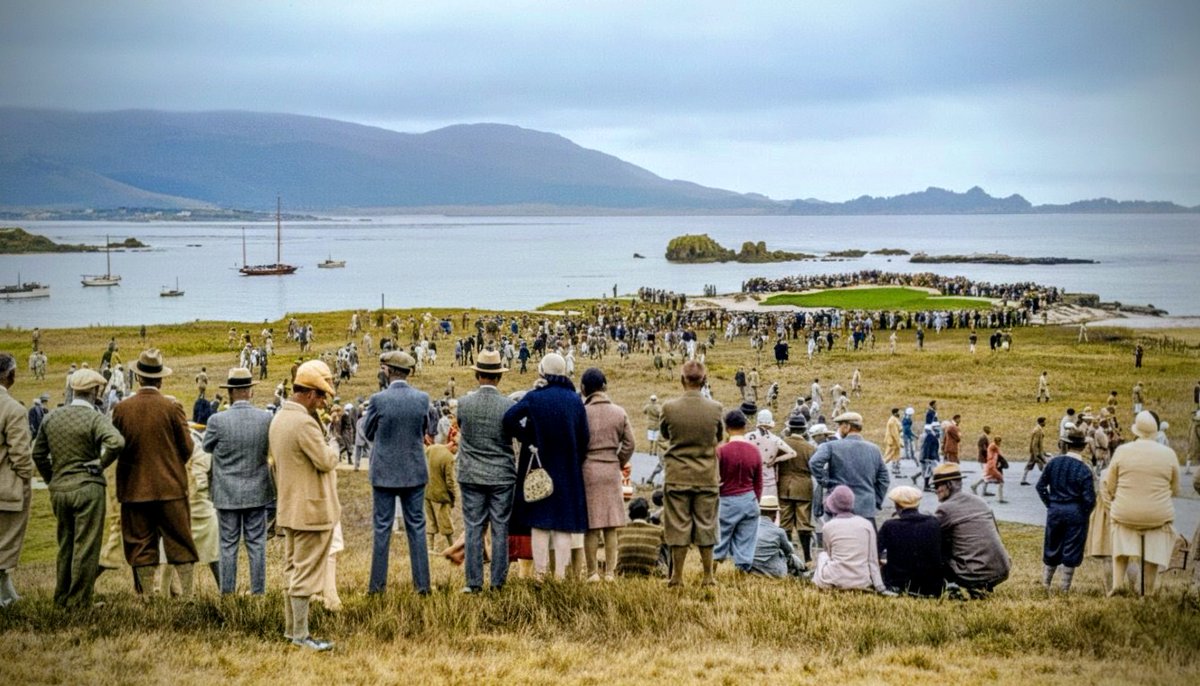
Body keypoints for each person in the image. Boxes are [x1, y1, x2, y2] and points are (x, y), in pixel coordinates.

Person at [31, 368, 123, 607]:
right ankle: (80, 602)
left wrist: (53, 479)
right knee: (86, 546)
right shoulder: (94, 417)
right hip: (87, 487)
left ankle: (61, 597)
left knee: (66, 545)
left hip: (60, 489)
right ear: (94, 391)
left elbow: (38, 454)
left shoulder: (52, 417)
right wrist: (100, 464)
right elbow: (116, 442)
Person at [110, 349, 198, 599]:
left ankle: (148, 596)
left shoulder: (121, 409)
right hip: (170, 487)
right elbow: (187, 448)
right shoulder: (172, 407)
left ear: (138, 378)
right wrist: (171, 465)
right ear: (160, 379)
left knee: (139, 543)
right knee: (180, 541)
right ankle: (188, 597)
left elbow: (116, 447)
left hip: (134, 488)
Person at [503, 352, 589, 581]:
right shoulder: (574, 400)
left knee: (539, 522)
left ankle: (540, 575)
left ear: (542, 370)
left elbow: (509, 419)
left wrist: (528, 439)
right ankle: (559, 576)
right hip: (567, 468)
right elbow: (585, 437)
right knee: (562, 524)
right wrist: (574, 457)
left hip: (538, 466)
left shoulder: (535, 397)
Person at [272, 360, 339, 651]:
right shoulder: (304, 424)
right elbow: (325, 460)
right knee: (305, 574)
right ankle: (301, 635)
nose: (323, 401)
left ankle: (292, 631)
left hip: (290, 507)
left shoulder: (279, 418)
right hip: (311, 510)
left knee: (293, 569)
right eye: (321, 395)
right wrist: (334, 446)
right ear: (309, 393)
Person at [362, 350, 431, 594]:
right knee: (417, 528)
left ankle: (377, 588)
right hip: (414, 470)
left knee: (382, 529)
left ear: (389, 371)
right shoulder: (422, 398)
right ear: (408, 372)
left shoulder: (378, 400)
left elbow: (368, 432)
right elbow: (427, 428)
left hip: (384, 472)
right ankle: (422, 586)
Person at [202, 367, 274, 595]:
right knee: (256, 545)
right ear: (250, 392)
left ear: (231, 392)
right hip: (257, 490)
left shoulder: (217, 420)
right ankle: (258, 593)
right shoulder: (266, 418)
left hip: (227, 492)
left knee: (228, 545)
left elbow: (206, 446)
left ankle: (228, 594)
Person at [454, 349, 516, 593]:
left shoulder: (464, 403)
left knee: (474, 527)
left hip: (471, 473)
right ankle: (498, 582)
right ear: (499, 377)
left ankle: (473, 582)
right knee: (501, 527)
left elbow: (461, 427)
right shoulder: (508, 406)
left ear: (477, 374)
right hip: (502, 474)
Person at [658, 360, 723, 587]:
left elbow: (665, 434)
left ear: (682, 379)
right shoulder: (715, 408)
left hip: (677, 474)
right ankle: (708, 576)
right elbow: (719, 437)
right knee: (706, 524)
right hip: (706, 475)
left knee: (678, 525)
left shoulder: (669, 407)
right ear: (704, 380)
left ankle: (677, 577)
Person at [1102, 411, 1180, 596]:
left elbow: (1110, 485)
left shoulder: (1122, 451)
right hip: (1157, 516)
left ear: (1136, 431)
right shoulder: (1168, 454)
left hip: (1125, 514)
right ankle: (1148, 591)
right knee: (1152, 550)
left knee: (1120, 543)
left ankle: (1118, 584)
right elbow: (1175, 489)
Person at [580, 368, 635, 582]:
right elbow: (630, 443)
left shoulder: (582, 412)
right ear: (604, 386)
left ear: (584, 389)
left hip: (588, 468)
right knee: (611, 523)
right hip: (611, 467)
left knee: (592, 524)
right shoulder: (619, 412)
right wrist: (618, 460)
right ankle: (611, 572)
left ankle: (592, 572)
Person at [931, 463, 1011, 596]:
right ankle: (984, 583)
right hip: (1001, 569)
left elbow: (931, 536)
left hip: (972, 574)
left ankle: (956, 584)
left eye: (937, 486)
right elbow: (996, 533)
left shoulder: (945, 509)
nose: (935, 490)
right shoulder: (980, 501)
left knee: (937, 546)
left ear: (949, 485)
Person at [1035, 427, 1096, 593]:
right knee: (1072, 547)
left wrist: (1050, 504)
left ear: (1067, 445)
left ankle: (1045, 584)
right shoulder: (1084, 469)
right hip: (1075, 511)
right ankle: (1064, 588)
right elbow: (1090, 499)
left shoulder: (1053, 463)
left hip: (1055, 509)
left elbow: (1040, 486)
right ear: (1083, 447)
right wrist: (1084, 512)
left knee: (1052, 544)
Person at [809, 412, 890, 525]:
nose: (838, 429)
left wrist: (827, 482)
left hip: (838, 507)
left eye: (840, 425)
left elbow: (814, 463)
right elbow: (884, 479)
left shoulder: (830, 446)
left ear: (847, 426)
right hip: (866, 508)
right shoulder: (874, 449)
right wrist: (876, 500)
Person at [0, 353, 33, 608]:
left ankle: (7, 592)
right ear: (10, 376)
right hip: (6, 488)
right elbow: (21, 456)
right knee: (5, 545)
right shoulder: (13, 409)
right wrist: (26, 478)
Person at [811, 486, 885, 593]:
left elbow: (829, 554)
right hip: (862, 581)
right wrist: (879, 585)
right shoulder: (866, 524)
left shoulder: (828, 526)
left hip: (835, 579)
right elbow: (872, 559)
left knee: (823, 555)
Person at [713, 410, 762, 572]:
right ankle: (741, 575)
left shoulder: (721, 451)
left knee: (717, 543)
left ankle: (710, 574)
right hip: (749, 499)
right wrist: (755, 500)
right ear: (745, 427)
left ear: (726, 428)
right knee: (746, 544)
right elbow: (758, 482)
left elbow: (715, 478)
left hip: (726, 500)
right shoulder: (754, 451)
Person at [877, 485, 943, 597]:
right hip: (930, 585)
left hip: (898, 583)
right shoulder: (933, 523)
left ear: (897, 506)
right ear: (917, 504)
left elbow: (876, 552)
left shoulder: (890, 526)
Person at [777, 414, 816, 567]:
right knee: (804, 523)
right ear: (804, 430)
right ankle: (807, 558)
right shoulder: (810, 447)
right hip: (804, 486)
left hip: (784, 486)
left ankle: (789, 556)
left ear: (789, 428)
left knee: (785, 523)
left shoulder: (782, 443)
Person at [749, 495, 803, 578]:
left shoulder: (749, 528)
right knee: (788, 554)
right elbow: (788, 551)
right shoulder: (779, 532)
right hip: (773, 572)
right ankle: (801, 570)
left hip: (751, 569)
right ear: (774, 514)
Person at [746, 409, 795, 500]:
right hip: (769, 476)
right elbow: (792, 453)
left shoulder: (748, 437)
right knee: (769, 506)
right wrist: (775, 460)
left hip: (752, 474)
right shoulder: (775, 439)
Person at [615, 497, 665, 577]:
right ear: (647, 513)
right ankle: (665, 571)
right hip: (650, 571)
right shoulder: (658, 530)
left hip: (626, 571)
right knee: (665, 544)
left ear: (630, 515)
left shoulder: (620, 531)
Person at [424, 433, 457, 552]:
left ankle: (430, 547)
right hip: (442, 496)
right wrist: (453, 498)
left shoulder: (431, 448)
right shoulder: (448, 457)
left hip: (427, 491)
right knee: (446, 522)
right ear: (453, 445)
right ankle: (451, 546)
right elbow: (450, 481)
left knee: (430, 520)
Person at [971, 436, 1007, 502]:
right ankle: (1000, 499)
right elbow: (1000, 454)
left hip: (990, 466)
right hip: (991, 466)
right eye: (999, 442)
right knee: (1001, 480)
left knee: (986, 478)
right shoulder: (994, 446)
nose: (1000, 444)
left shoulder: (992, 447)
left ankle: (974, 486)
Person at [883, 408, 902, 474]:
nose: (900, 414)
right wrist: (899, 442)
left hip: (894, 441)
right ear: (895, 413)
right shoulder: (892, 421)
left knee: (895, 455)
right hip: (893, 441)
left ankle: (895, 468)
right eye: (898, 412)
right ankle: (880, 467)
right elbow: (895, 433)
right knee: (889, 455)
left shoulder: (894, 420)